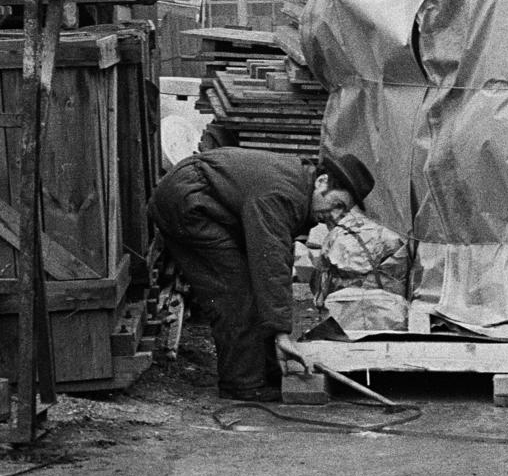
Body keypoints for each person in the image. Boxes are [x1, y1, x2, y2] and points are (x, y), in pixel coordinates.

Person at [148, 147, 375, 401]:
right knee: (235, 291)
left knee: (253, 283)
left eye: (342, 212)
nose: (333, 217)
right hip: (188, 202)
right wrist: (282, 333)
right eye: (336, 205)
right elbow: (270, 263)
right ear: (322, 182)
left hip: (201, 199)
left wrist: (279, 331)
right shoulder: (284, 194)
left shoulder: (299, 190)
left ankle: (267, 368)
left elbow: (278, 259)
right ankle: (242, 383)